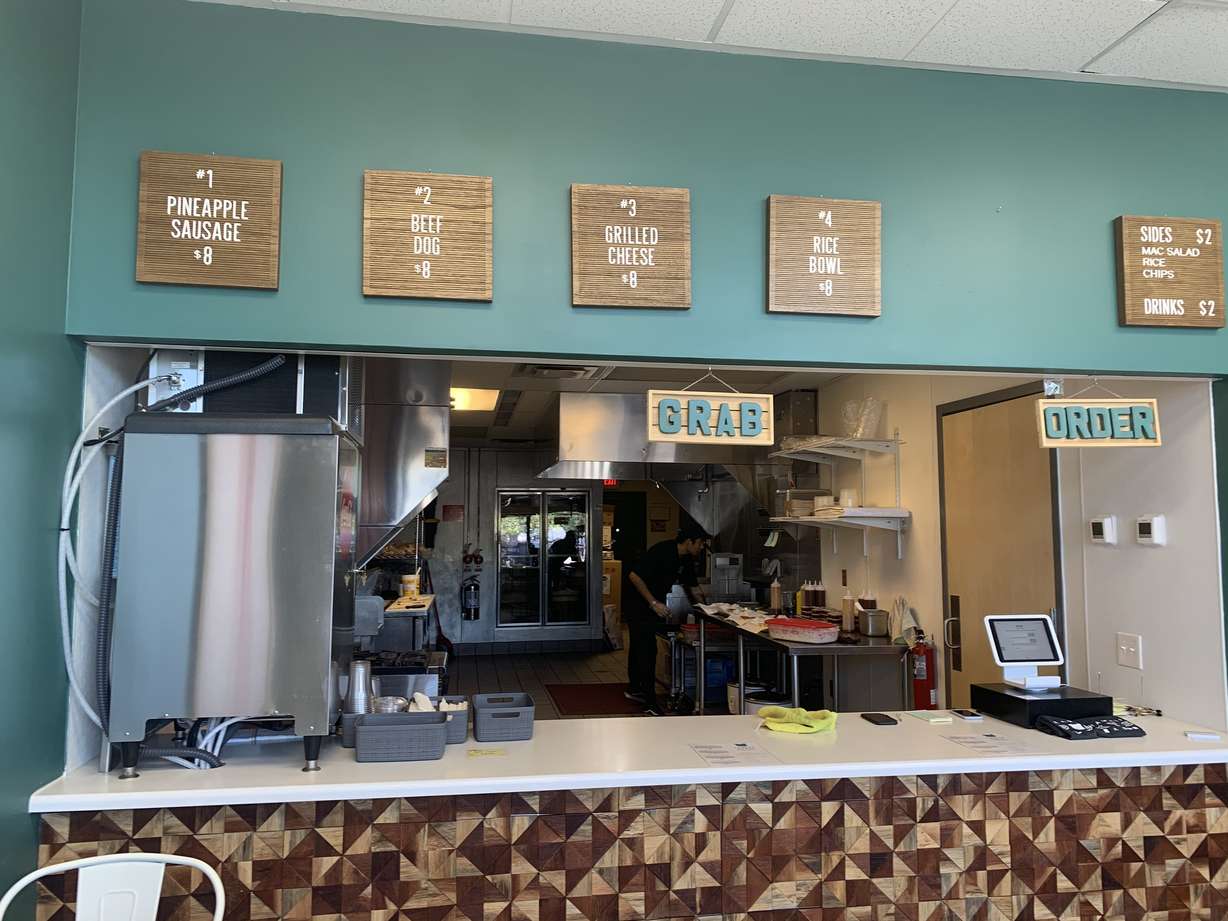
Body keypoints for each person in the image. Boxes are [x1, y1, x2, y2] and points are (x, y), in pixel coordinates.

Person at [623, 522, 709, 714]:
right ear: (689, 541)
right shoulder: (662, 550)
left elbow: (693, 587)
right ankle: (649, 703)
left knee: (640, 646)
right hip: (638, 604)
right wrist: (654, 603)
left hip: (652, 606)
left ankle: (635, 689)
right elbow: (634, 576)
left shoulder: (685, 559)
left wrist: (709, 610)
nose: (702, 547)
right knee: (647, 649)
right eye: (700, 543)